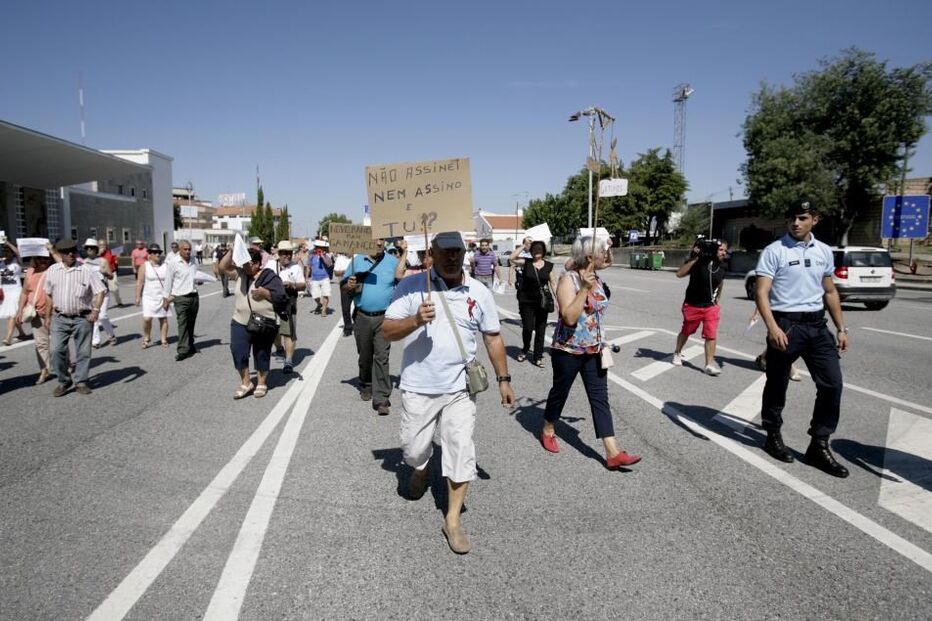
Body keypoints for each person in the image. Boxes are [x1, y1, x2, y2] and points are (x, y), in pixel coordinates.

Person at [383, 231, 515, 555]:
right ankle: (422, 465)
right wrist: (415, 320)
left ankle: (452, 520)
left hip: (460, 386)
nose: (452, 257)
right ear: (432, 253)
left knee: (460, 449)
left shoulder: (480, 292)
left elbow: (493, 337)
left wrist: (504, 378)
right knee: (414, 449)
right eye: (445, 252)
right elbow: (387, 330)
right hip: (419, 385)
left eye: (457, 251)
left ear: (464, 253)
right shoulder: (411, 287)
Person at [755, 200, 850, 478]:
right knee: (777, 382)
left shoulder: (823, 252)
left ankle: (819, 444)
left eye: (802, 217)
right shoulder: (775, 251)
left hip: (817, 326)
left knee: (832, 384)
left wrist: (842, 328)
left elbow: (830, 291)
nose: (796, 223)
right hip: (786, 324)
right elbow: (762, 293)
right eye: (792, 218)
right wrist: (772, 328)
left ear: (814, 220)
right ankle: (772, 434)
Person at [540, 236, 641, 470]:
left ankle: (612, 452)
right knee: (560, 392)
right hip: (568, 350)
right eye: (602, 252)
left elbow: (608, 262)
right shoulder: (570, 280)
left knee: (600, 398)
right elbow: (569, 317)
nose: (606, 256)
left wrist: (609, 246)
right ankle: (547, 427)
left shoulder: (597, 276)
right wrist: (584, 289)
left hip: (594, 350)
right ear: (588, 257)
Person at [218, 246, 287, 399]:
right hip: (240, 320)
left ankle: (262, 382)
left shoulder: (269, 276)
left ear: (257, 263)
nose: (244, 266)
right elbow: (222, 267)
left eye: (248, 263)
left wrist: (265, 293)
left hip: (263, 322)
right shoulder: (240, 273)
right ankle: (246, 382)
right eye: (243, 263)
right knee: (238, 350)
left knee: (261, 352)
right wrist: (231, 251)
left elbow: (281, 296)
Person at [340, 238, 398, 416]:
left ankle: (381, 398)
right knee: (365, 355)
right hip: (362, 317)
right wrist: (347, 286)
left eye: (381, 240)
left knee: (382, 356)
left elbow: (401, 284)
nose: (378, 243)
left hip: (385, 318)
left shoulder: (393, 262)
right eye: (375, 240)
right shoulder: (357, 261)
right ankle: (365, 383)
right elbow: (344, 287)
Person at [44, 238, 107, 396]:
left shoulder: (86, 270)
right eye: (67, 252)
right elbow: (48, 294)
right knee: (56, 351)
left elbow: (100, 290)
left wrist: (96, 311)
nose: (71, 254)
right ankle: (64, 381)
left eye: (73, 251)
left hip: (82, 318)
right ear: (60, 254)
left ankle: (81, 381)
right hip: (60, 317)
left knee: (83, 352)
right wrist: (47, 316)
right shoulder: (53, 270)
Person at [670, 239, 728, 376]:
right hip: (692, 305)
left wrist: (717, 300)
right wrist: (695, 257)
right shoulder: (699, 262)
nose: (724, 253)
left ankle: (709, 364)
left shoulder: (722, 267)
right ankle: (677, 352)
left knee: (711, 334)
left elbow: (720, 284)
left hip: (710, 307)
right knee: (687, 331)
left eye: (725, 250)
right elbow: (679, 274)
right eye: (721, 250)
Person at [509, 239, 557, 367]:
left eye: (540, 249)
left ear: (543, 251)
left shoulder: (549, 265)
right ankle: (525, 349)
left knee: (541, 329)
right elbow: (512, 258)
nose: (537, 251)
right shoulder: (526, 263)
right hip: (526, 300)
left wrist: (558, 300)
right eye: (534, 249)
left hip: (542, 301)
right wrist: (523, 246)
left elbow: (553, 283)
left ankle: (538, 356)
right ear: (531, 251)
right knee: (528, 327)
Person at [15, 252, 54, 384]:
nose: (43, 261)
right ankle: (45, 370)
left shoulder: (54, 270)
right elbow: (25, 292)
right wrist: (20, 309)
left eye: (46, 258)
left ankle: (66, 364)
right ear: (35, 259)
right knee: (41, 344)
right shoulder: (30, 271)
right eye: (40, 258)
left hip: (54, 312)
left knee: (59, 344)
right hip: (36, 313)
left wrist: (51, 250)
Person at [267, 240, 305, 373]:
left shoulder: (296, 267)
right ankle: (278, 348)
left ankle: (288, 360)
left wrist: (292, 285)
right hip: (271, 303)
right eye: (285, 253)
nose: (287, 256)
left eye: (289, 253)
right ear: (279, 253)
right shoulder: (271, 265)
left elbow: (303, 285)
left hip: (289, 303)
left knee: (289, 332)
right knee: (274, 331)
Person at [162, 240, 201, 361]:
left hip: (194, 296)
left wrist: (200, 280)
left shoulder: (194, 261)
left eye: (189, 249)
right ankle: (183, 350)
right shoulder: (173, 263)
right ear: (179, 250)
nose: (188, 251)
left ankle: (190, 344)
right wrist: (166, 299)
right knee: (182, 323)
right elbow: (168, 281)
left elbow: (197, 276)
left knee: (191, 323)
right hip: (180, 298)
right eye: (185, 249)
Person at [80, 239, 117, 349]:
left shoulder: (103, 261)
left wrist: (104, 272)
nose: (89, 250)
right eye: (87, 248)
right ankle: (96, 341)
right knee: (94, 317)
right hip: (91, 293)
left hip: (103, 291)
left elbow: (111, 276)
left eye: (91, 248)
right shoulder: (84, 262)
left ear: (96, 249)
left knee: (102, 315)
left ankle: (111, 335)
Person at [748, 307, 801, 382]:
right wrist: (756, 313)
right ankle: (790, 367)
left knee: (788, 337)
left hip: (793, 310)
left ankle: (764, 358)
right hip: (778, 312)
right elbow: (763, 296)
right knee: (783, 338)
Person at [135, 243, 170, 349]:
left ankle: (163, 339)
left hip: (162, 296)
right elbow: (140, 282)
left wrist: (169, 296)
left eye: (159, 252)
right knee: (147, 318)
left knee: (163, 319)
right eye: (154, 252)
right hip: (148, 296)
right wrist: (137, 297)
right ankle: (147, 337)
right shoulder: (144, 266)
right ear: (149, 254)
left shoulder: (166, 265)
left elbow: (170, 281)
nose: (157, 254)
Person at [1, 240, 28, 345]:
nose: (6, 252)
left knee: (12, 314)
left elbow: (18, 253)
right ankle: (22, 333)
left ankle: (8, 338)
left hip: (16, 291)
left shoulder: (17, 261)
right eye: (5, 250)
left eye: (8, 250)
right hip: (5, 292)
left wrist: (7, 243)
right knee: (11, 314)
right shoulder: (1, 263)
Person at [307, 240, 334, 315]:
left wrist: (322, 256)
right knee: (315, 296)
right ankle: (319, 304)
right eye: (318, 247)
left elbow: (329, 265)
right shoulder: (311, 256)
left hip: (325, 278)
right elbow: (308, 267)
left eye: (321, 248)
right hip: (314, 279)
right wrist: (306, 278)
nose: (319, 249)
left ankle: (324, 310)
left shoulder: (327, 256)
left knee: (326, 294)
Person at [333, 251, 354, 336]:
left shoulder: (357, 257)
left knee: (360, 307)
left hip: (356, 284)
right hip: (344, 285)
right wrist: (347, 271)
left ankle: (358, 324)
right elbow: (336, 272)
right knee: (345, 308)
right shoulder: (340, 259)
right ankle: (348, 328)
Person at [98, 239, 123, 306]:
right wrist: (99, 254)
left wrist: (117, 258)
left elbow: (116, 259)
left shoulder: (110, 252)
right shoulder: (96, 255)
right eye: (100, 245)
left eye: (103, 245)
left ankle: (119, 302)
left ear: (106, 246)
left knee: (114, 289)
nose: (102, 247)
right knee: (100, 291)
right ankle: (99, 305)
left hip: (111, 272)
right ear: (98, 246)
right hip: (101, 274)